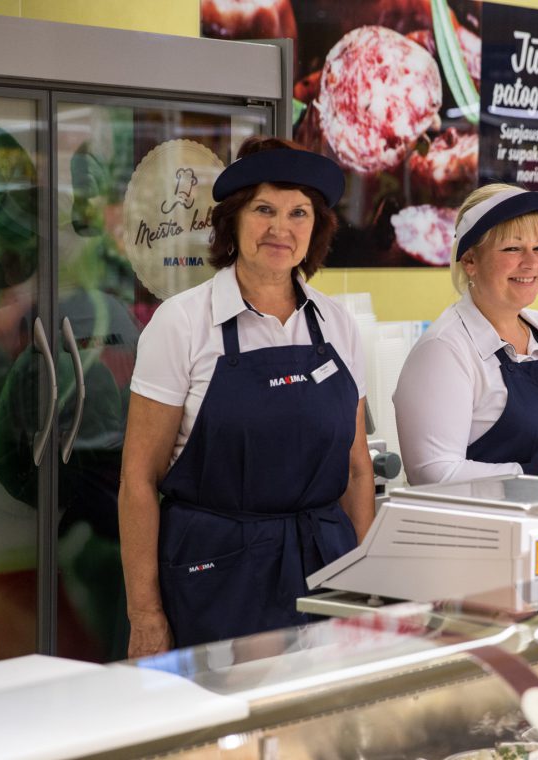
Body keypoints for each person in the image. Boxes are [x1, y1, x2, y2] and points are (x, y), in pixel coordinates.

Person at [119, 136, 375, 657]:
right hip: (219, 576)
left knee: (325, 707)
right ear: (232, 221)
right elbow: (138, 480)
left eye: (298, 213)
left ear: (316, 228)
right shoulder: (183, 323)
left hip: (326, 567)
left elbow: (356, 469)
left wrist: (370, 585)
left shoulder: (337, 324)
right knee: (226, 709)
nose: (281, 228)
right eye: (264, 210)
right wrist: (144, 615)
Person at [393, 183, 538, 485]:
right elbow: (432, 473)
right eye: (512, 248)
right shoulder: (444, 349)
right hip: (483, 517)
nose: (531, 263)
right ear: (470, 261)